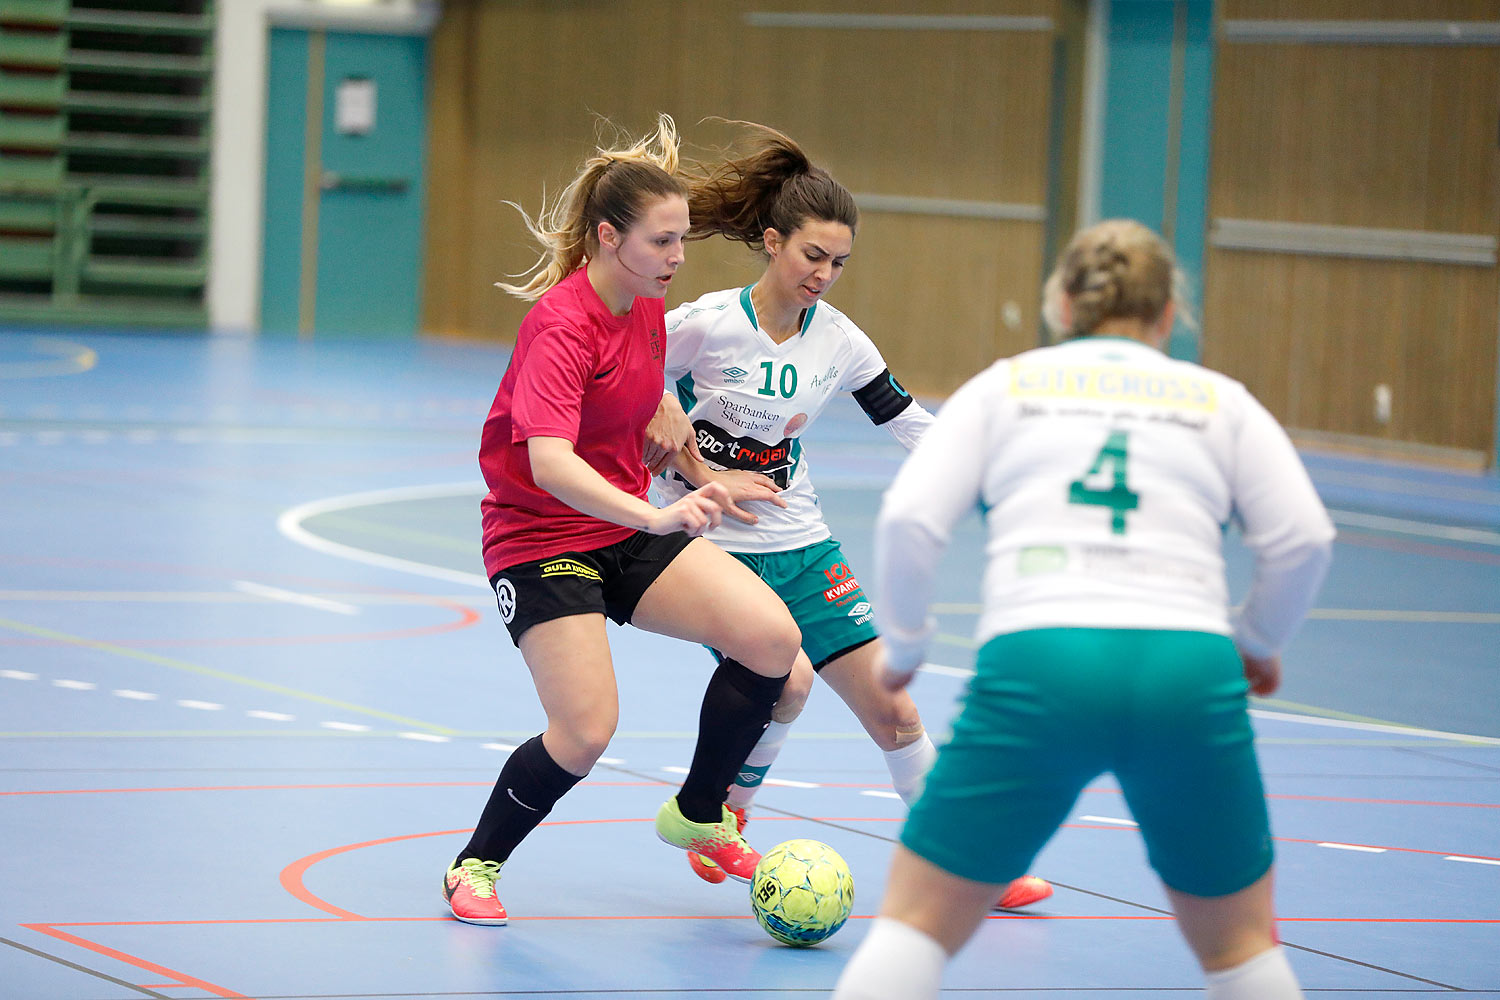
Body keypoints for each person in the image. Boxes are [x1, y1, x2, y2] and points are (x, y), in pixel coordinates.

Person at [832, 219, 1335, 999]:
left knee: (914, 929)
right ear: (1170, 315)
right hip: (1186, 666)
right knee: (1241, 949)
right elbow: (1303, 539)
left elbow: (908, 519)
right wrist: (1256, 641)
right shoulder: (1218, 402)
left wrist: (904, 645)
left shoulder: (1007, 386)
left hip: (1042, 657)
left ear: (1062, 305)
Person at [645, 121, 1049, 909]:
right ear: (771, 241)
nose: (825, 275)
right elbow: (626, 374)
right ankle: (726, 816)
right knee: (786, 681)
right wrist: (680, 434)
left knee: (895, 712)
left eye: (839, 263)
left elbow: (908, 423)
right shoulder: (704, 324)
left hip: (803, 544)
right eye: (812, 256)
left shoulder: (840, 343)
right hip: (711, 549)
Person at [443, 115, 802, 926]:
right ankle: (475, 866)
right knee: (585, 729)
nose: (678, 259)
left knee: (774, 643)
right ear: (610, 238)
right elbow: (550, 463)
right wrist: (657, 511)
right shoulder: (560, 325)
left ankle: (701, 814)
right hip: (540, 543)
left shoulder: (643, 305)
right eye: (663, 243)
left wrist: (709, 479)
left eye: (682, 242)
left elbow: (648, 419)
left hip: (623, 528)